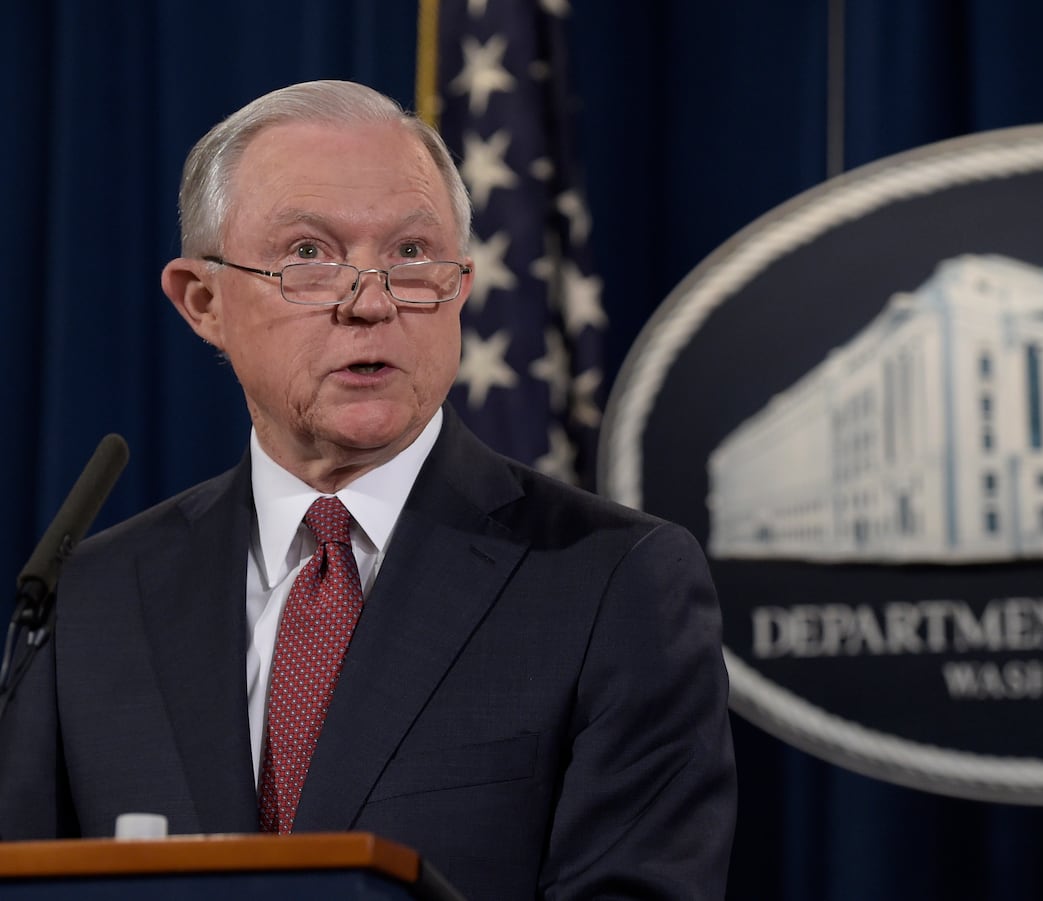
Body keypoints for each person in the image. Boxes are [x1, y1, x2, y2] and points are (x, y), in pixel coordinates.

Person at [0, 80, 736, 900]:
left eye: (413, 254)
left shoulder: (614, 581)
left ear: (460, 285)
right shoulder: (94, 600)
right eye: (308, 256)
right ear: (203, 300)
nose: (372, 302)